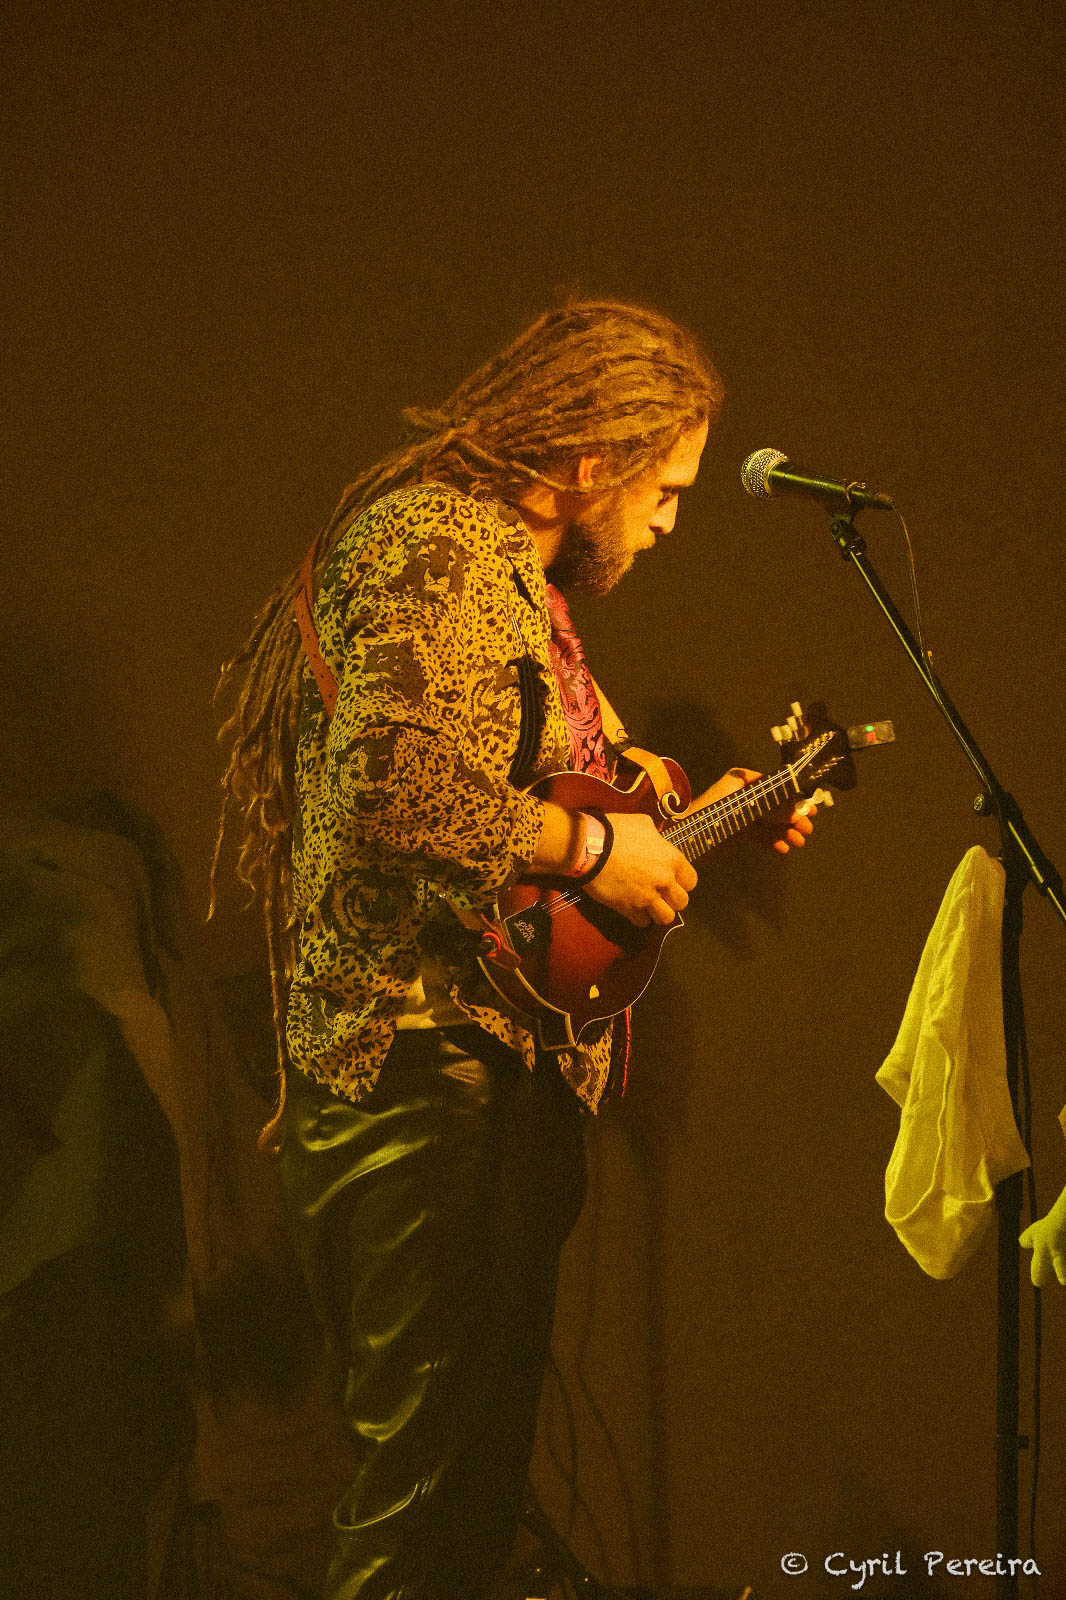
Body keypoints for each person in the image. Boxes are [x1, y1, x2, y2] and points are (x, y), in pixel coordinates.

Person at [212, 300, 815, 1600]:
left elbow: (534, 794)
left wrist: (689, 815)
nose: (670, 522)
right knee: (420, 1517)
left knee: (457, 1511)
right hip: (423, 1081)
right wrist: (598, 850)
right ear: (593, 461)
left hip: (469, 1078)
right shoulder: (437, 544)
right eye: (666, 488)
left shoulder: (505, 578)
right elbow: (385, 793)